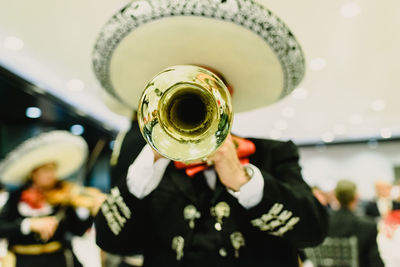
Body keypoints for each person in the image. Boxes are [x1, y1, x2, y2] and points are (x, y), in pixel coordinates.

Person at [92, 1, 329, 266]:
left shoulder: (273, 154)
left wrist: (243, 180)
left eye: (207, 85)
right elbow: (110, 240)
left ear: (229, 95)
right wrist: (150, 167)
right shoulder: (149, 167)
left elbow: (314, 231)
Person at [0, 130, 105, 267]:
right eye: (46, 170)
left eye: (53, 169)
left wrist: (92, 212)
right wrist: (28, 224)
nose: (52, 174)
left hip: (58, 261)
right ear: (33, 173)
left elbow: (77, 231)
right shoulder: (16, 197)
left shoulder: (62, 198)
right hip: (24, 262)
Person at [328, 179, 384, 267]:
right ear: (356, 197)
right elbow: (375, 262)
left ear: (336, 197)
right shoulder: (368, 226)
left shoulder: (325, 224)